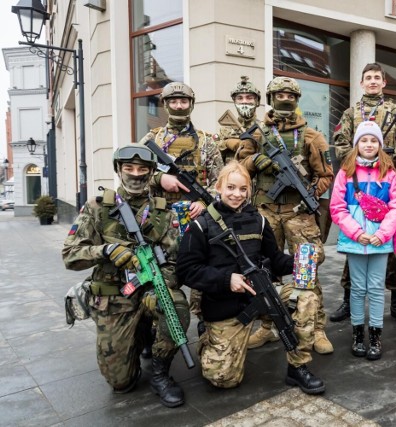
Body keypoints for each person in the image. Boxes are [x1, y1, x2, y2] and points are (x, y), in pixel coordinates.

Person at [176, 161, 325, 395]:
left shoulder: (259, 220)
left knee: (306, 297)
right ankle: (208, 339)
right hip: (224, 305)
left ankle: (298, 366)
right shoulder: (201, 224)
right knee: (223, 379)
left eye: (243, 189)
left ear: (250, 191)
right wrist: (227, 279)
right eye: (231, 188)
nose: (237, 194)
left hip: (260, 296)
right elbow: (186, 270)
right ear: (219, 187)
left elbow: (274, 258)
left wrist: (300, 263)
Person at [61, 145, 189, 408]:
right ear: (118, 170)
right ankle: (139, 335)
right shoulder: (97, 207)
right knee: (121, 383)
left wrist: (161, 284)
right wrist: (105, 250)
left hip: (149, 292)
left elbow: (176, 261)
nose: (135, 174)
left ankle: (160, 373)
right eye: (129, 168)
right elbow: (70, 256)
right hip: (114, 297)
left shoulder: (163, 211)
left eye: (142, 169)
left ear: (151, 172)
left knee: (175, 307)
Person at [236, 76, 335, 354]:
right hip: (265, 214)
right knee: (264, 271)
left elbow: (326, 175)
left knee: (307, 272)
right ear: (270, 96)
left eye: (290, 95)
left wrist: (312, 193)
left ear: (297, 99)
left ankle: (316, 328)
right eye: (279, 94)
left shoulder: (312, 136)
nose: (285, 98)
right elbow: (239, 167)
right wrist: (255, 161)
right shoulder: (256, 135)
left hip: (298, 215)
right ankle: (268, 327)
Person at [332, 63, 396, 325]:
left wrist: (388, 156)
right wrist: (359, 158)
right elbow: (339, 144)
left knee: (391, 248)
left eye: (376, 78)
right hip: (357, 183)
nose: (372, 82)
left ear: (383, 83)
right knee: (357, 244)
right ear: (361, 83)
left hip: (386, 182)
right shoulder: (349, 114)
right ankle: (348, 301)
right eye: (368, 78)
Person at [138, 81, 223, 333]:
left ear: (191, 104)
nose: (178, 106)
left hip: (198, 220)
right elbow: (133, 176)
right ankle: (156, 326)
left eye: (183, 101)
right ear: (165, 105)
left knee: (202, 272)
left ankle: (204, 322)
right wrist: (158, 178)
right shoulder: (151, 140)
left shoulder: (207, 142)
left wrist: (201, 202)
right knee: (160, 276)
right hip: (161, 222)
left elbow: (220, 181)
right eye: (173, 101)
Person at [329, 122, 396, 360]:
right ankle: (358, 334)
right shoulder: (345, 173)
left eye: (373, 141)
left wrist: (383, 234)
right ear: (356, 144)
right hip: (356, 241)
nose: (369, 145)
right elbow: (337, 208)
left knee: (376, 289)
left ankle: (375, 334)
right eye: (364, 140)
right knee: (358, 289)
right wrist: (356, 232)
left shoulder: (389, 172)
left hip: (380, 242)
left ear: (380, 145)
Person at [218, 76, 262, 164]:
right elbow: (214, 157)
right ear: (234, 101)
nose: (244, 101)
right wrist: (226, 143)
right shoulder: (226, 130)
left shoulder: (264, 128)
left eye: (249, 98)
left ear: (257, 101)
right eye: (240, 98)